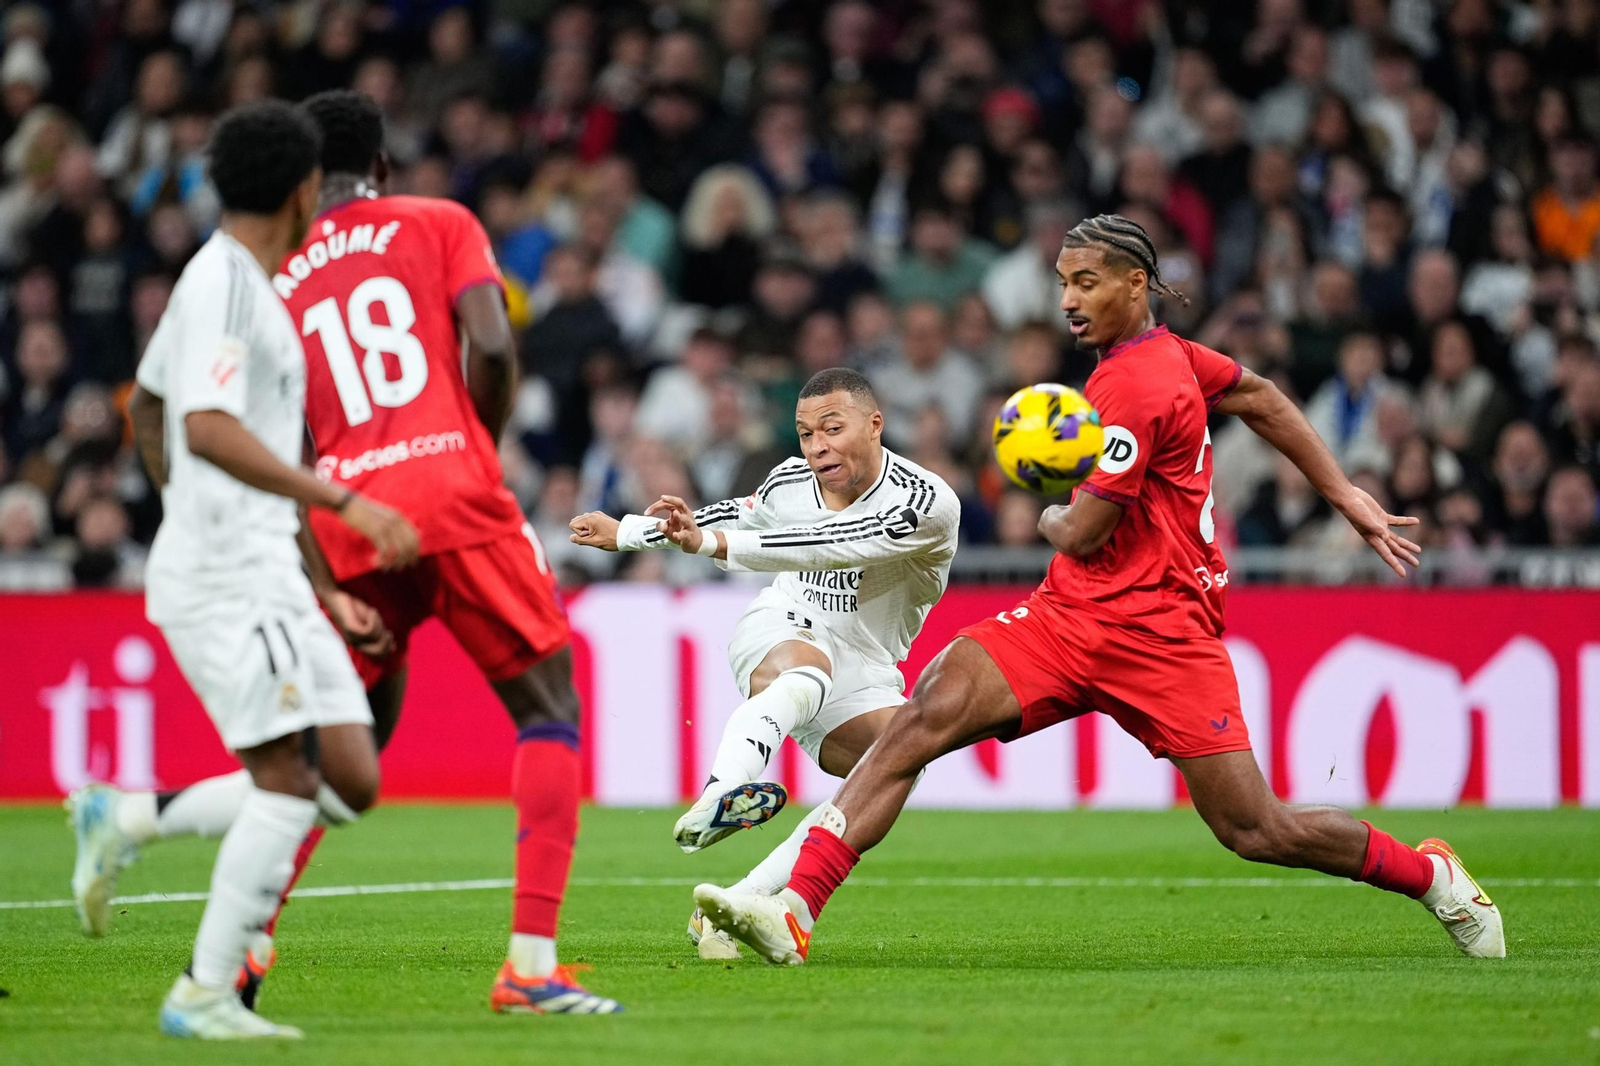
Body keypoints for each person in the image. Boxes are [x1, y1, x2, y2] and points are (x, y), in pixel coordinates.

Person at [693, 214, 1505, 966]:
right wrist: (1345, 493)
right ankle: (795, 906)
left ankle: (1429, 873)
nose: (1068, 300)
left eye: (1086, 281)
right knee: (927, 711)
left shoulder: (1135, 387)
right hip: (1069, 617)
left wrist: (1045, 502)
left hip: (1162, 635)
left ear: (1135, 284)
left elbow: (1080, 531)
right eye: (1062, 280)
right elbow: (1257, 395)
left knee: (1257, 828)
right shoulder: (1173, 357)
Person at [66, 91, 620, 1016]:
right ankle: (530, 965)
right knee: (547, 710)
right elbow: (489, 343)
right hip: (449, 495)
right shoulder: (437, 219)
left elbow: (192, 414)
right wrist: (468, 449)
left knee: (330, 766)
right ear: (384, 167)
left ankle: (223, 940)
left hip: (343, 528)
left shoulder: (269, 274)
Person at [68, 100, 421, 1039]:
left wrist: (322, 586)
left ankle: (128, 817)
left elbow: (145, 408)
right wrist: (341, 503)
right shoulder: (227, 284)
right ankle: (205, 993)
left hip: (267, 567)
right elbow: (202, 427)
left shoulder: (230, 282)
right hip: (230, 577)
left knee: (350, 777)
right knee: (287, 782)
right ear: (305, 189)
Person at [567, 367, 958, 959]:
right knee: (806, 671)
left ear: (875, 425)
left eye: (832, 428)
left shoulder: (925, 503)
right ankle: (721, 792)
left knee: (899, 761)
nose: (817, 447)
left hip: (869, 663)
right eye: (805, 434)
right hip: (785, 622)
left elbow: (829, 541)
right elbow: (737, 516)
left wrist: (707, 546)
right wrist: (632, 531)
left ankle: (740, 904)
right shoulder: (789, 482)